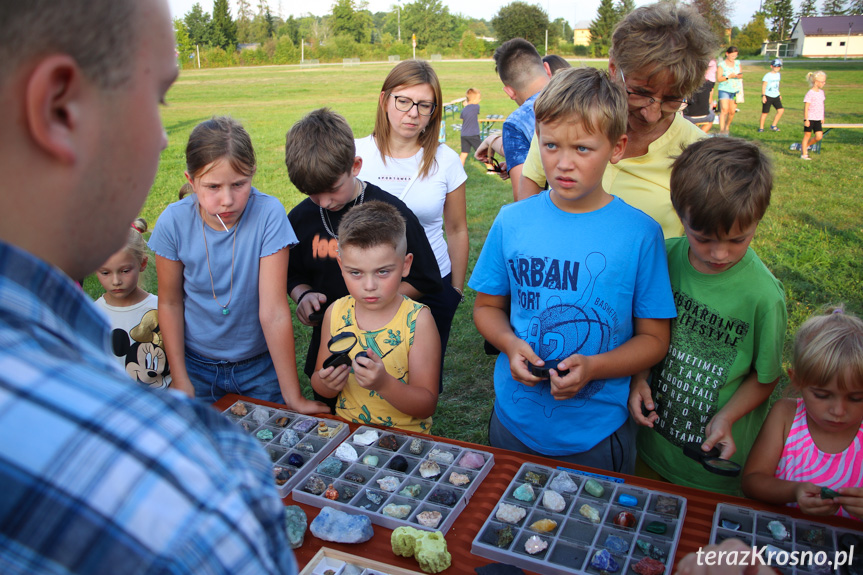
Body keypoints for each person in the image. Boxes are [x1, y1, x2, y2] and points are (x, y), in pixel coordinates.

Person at [0, 0, 297, 572]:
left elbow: (269, 309)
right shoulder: (199, 499)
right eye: (156, 99)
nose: (163, 139)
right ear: (59, 108)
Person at [469, 67, 676, 473]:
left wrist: (596, 368)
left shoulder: (640, 235)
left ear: (616, 148)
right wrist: (510, 345)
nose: (563, 164)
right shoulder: (511, 222)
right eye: (550, 146)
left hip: (596, 435)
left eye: (582, 148)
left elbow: (654, 339)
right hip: (512, 425)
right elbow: (486, 308)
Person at [630, 137, 787, 496]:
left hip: (711, 465)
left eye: (738, 240)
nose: (719, 253)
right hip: (650, 445)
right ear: (679, 213)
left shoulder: (763, 296)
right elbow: (643, 329)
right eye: (702, 238)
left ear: (757, 220)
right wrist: (639, 378)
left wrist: (726, 417)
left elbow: (766, 377)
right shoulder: (663, 259)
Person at [149, 116, 324, 413]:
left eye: (239, 184)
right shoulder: (173, 222)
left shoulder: (268, 215)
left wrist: (293, 396)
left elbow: (274, 311)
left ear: (253, 174)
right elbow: (169, 303)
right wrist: (180, 379)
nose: (227, 200)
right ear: (191, 181)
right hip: (196, 365)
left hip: (257, 367)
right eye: (213, 187)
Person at [283, 108, 442, 403]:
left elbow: (427, 278)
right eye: (312, 193)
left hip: (389, 348)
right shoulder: (301, 218)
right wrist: (302, 295)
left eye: (332, 189)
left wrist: (372, 307)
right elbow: (291, 272)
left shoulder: (392, 214)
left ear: (355, 166)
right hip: (331, 347)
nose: (325, 202)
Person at [518, 3, 715, 238]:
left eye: (672, 99)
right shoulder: (570, 119)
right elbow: (532, 180)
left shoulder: (699, 156)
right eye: (641, 92)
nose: (651, 114)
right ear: (614, 68)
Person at [356, 60, 467, 387]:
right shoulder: (356, 153)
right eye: (403, 101)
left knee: (419, 385)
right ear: (384, 100)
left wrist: (455, 291)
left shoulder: (444, 160)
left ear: (434, 111)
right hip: (370, 289)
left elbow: (458, 229)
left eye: (424, 105)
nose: (412, 113)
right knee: (365, 382)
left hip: (432, 289)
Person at [311, 201, 440, 432]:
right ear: (341, 265)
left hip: (404, 441)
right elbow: (319, 382)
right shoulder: (336, 313)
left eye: (383, 272)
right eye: (355, 273)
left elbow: (426, 404)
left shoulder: (417, 321)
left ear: (406, 265)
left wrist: (384, 384)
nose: (369, 286)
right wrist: (327, 382)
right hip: (347, 434)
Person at [742, 308, 863, 521]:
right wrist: (794, 491)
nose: (838, 411)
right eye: (822, 395)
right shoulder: (786, 416)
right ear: (797, 381)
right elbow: (752, 482)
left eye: (856, 398)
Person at [94, 218, 171, 388]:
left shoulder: (160, 309)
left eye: (125, 271)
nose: (116, 281)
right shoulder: (93, 314)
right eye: (105, 272)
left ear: (142, 263)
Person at [475, 39, 551, 201]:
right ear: (546, 68)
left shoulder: (516, 124)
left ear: (509, 92)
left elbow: (525, 200)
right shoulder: (584, 96)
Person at [683, 58, 717, 133]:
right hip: (704, 115)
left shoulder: (687, 85)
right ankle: (701, 134)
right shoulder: (708, 84)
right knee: (711, 116)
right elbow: (710, 101)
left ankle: (695, 134)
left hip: (689, 116)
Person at [801, 71, 827, 161]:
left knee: (819, 136)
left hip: (818, 119)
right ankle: (804, 154)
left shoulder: (821, 92)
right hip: (810, 118)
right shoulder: (810, 93)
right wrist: (806, 119)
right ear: (816, 82)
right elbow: (806, 107)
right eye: (822, 81)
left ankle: (806, 146)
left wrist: (822, 117)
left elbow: (822, 105)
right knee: (807, 136)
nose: (824, 83)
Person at [717, 46, 742, 136]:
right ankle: (722, 130)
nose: (734, 58)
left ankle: (727, 126)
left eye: (735, 56)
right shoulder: (721, 65)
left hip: (735, 89)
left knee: (732, 111)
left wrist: (738, 76)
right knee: (724, 110)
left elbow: (741, 74)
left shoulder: (737, 63)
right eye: (732, 56)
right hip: (724, 89)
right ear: (727, 54)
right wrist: (728, 77)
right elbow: (719, 79)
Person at [758, 59, 784, 132]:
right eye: (775, 66)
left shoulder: (778, 75)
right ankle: (761, 128)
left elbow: (777, 85)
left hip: (775, 96)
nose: (777, 68)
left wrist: (779, 94)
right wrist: (763, 96)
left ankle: (773, 125)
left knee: (781, 110)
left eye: (778, 66)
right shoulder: (767, 76)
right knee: (765, 113)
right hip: (768, 96)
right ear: (771, 66)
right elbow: (764, 86)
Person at [459, 88, 482, 166]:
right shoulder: (476, 107)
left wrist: (466, 106)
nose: (480, 100)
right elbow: (476, 110)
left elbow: (462, 117)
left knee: (464, 153)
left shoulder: (464, 109)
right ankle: (491, 168)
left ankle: (459, 169)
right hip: (473, 134)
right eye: (479, 98)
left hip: (464, 134)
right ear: (474, 100)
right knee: (482, 151)